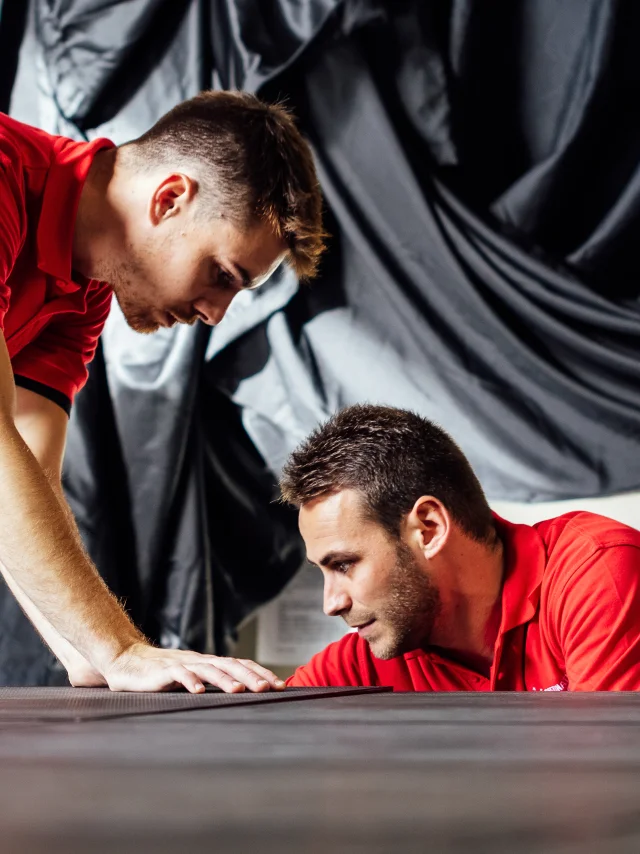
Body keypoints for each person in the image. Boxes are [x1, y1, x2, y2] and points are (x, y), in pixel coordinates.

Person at [0, 90, 325, 693]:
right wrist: (121, 649)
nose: (215, 313)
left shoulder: (82, 292)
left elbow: (27, 476)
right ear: (170, 198)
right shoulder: (2, 175)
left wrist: (89, 657)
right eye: (221, 275)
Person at [280, 405, 640, 691]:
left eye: (343, 564)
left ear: (429, 528)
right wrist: (226, 692)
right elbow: (269, 731)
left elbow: (610, 779)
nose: (331, 604)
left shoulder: (597, 571)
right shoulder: (372, 652)